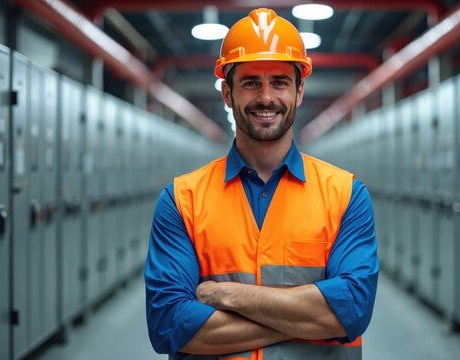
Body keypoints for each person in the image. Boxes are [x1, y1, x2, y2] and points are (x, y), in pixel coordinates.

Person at [145, 8, 379, 360]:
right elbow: (168, 325)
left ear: (299, 92)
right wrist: (315, 320)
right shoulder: (182, 200)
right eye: (251, 82)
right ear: (228, 94)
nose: (266, 97)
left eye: (280, 82)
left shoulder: (345, 194)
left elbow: (354, 311)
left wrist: (232, 297)